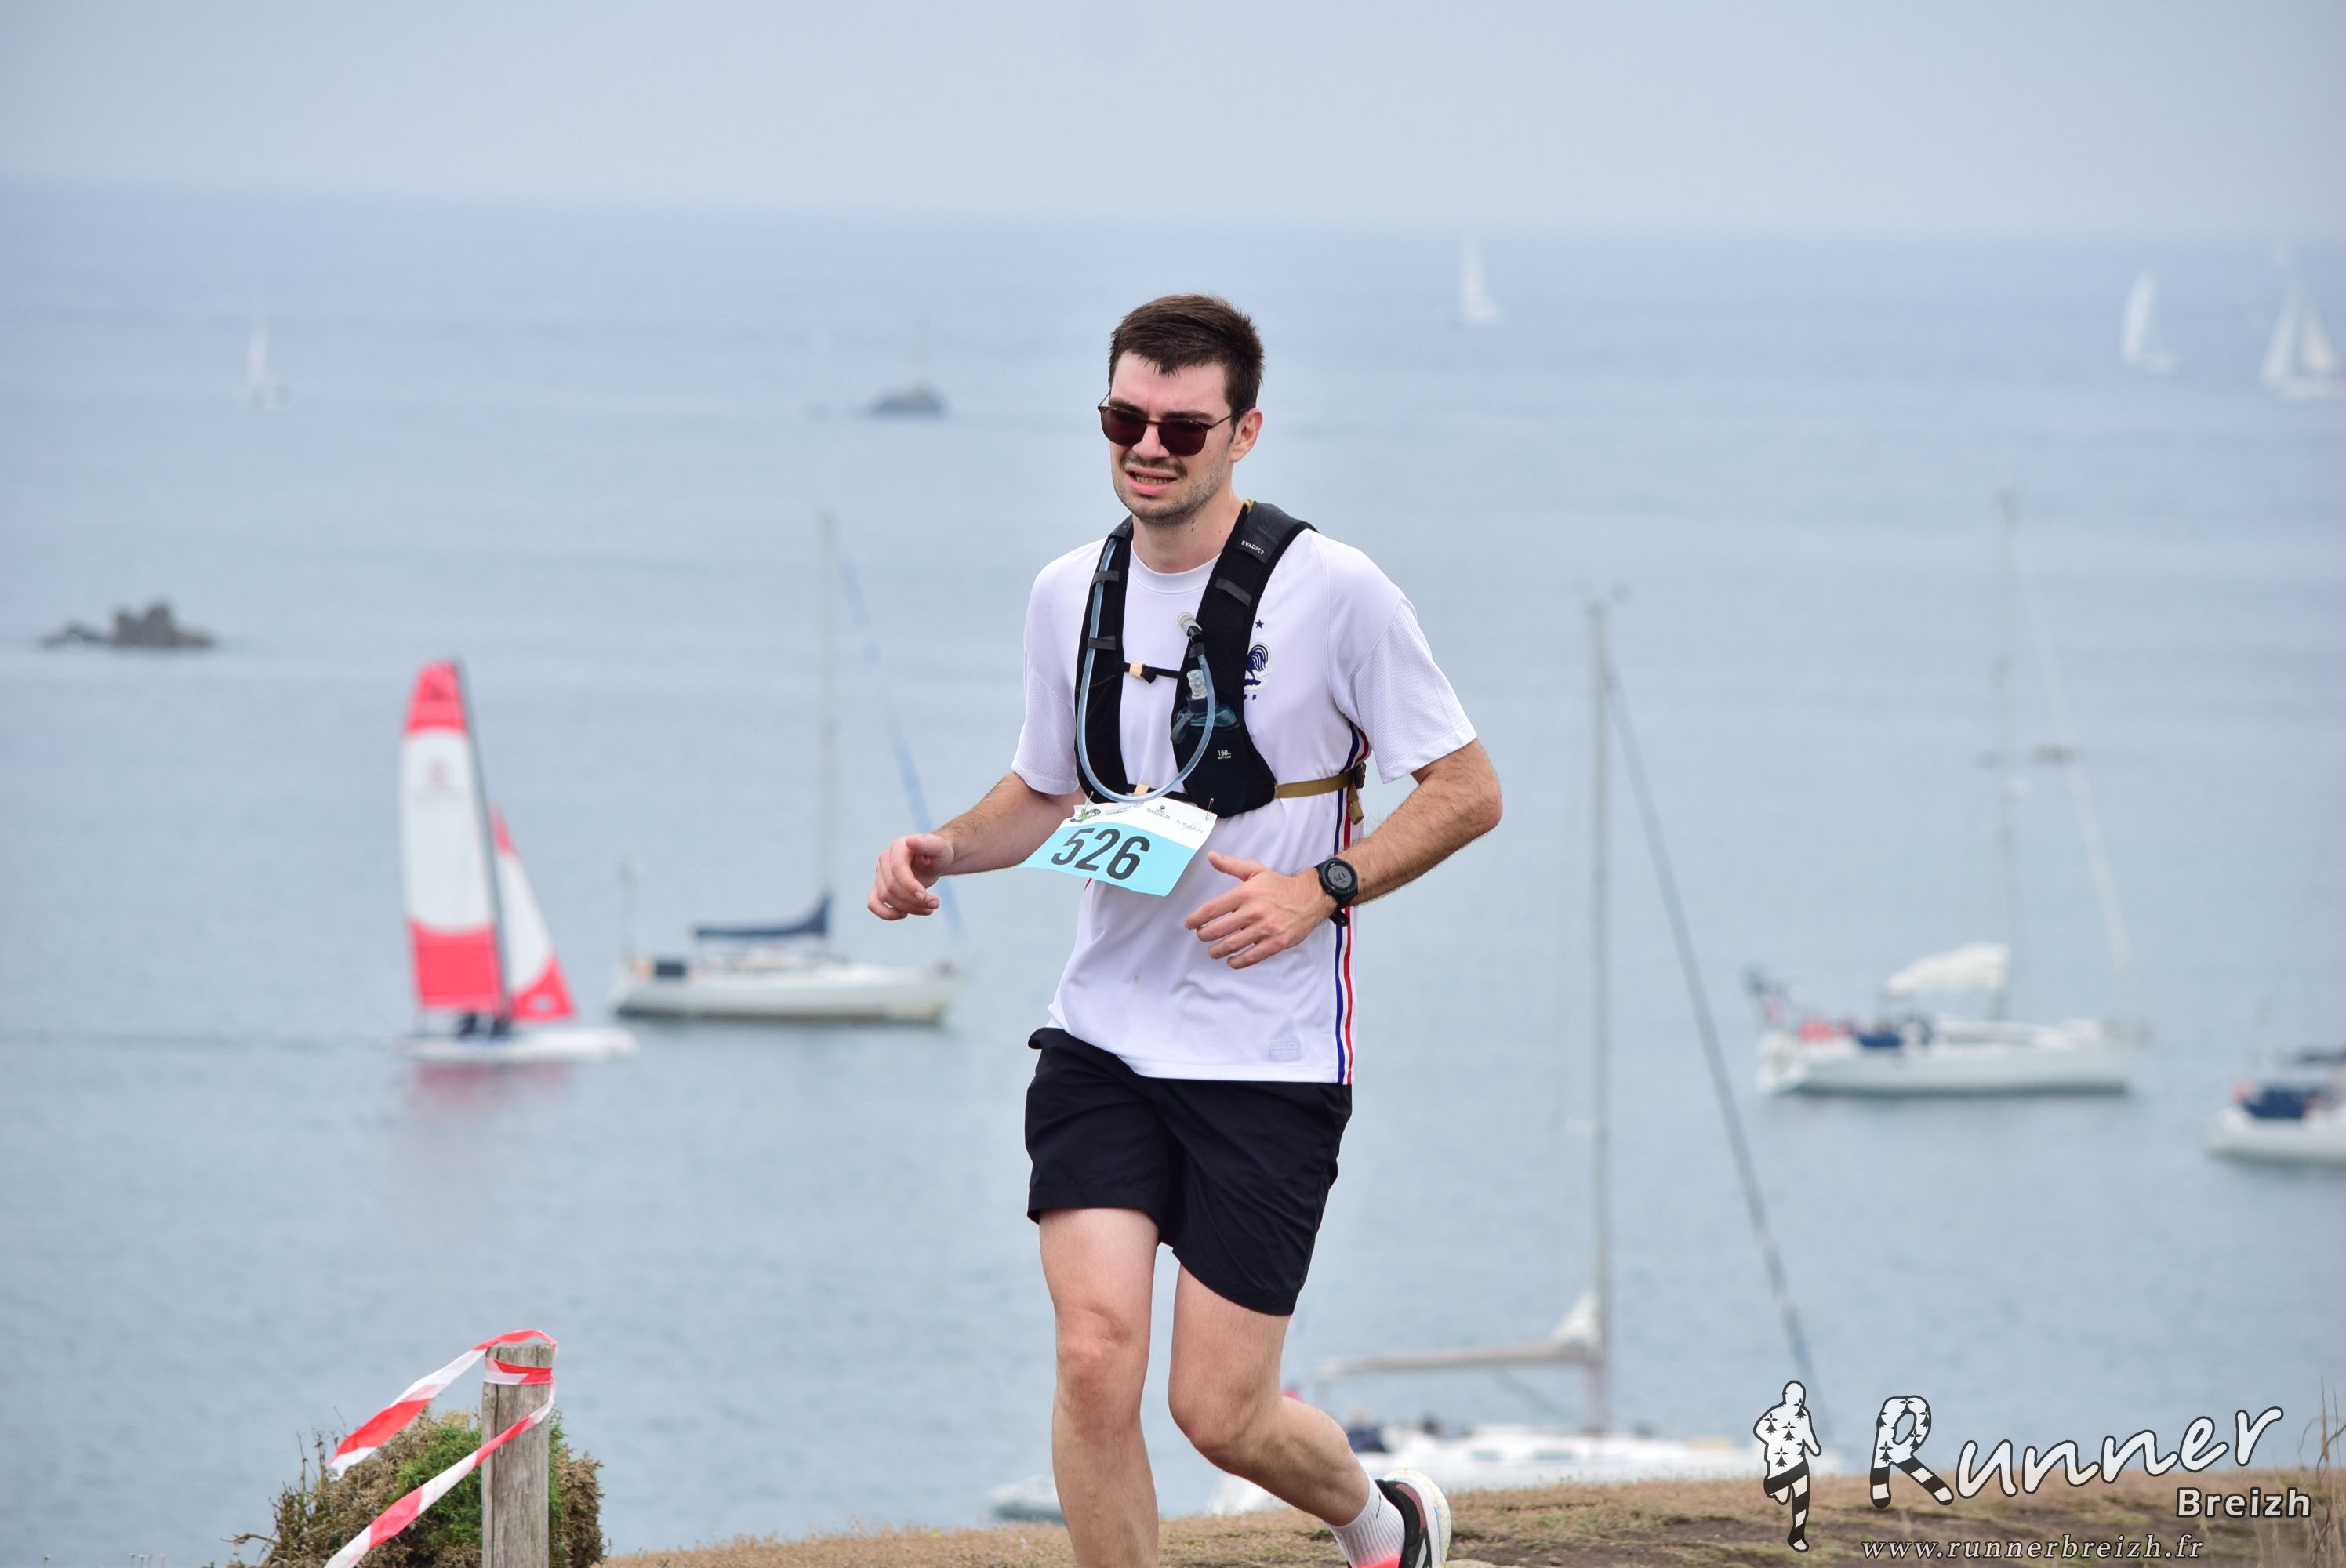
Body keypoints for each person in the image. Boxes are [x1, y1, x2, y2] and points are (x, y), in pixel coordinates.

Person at [870, 294, 1501, 1568]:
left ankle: (1383, 1521)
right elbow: (1046, 790)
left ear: (1244, 432)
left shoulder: (1339, 592)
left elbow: (1468, 790)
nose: (1148, 447)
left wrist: (1322, 886)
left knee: (1222, 1413)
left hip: (1268, 1057)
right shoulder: (1067, 592)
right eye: (1125, 419)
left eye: (1182, 426)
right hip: (1103, 1036)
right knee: (1093, 1357)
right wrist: (944, 847)